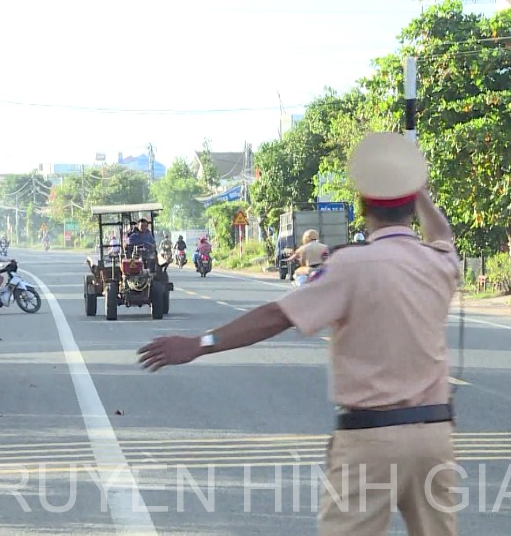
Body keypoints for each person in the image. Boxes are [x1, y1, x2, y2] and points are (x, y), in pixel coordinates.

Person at [138, 132, 461, 535]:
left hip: (371, 439)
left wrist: (200, 344)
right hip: (434, 437)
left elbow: (277, 315)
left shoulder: (351, 265)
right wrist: (417, 188)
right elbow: (442, 235)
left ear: (362, 204)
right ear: (412, 204)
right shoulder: (439, 263)